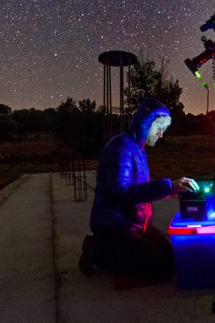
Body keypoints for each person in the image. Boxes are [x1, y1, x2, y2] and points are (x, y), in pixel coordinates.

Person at [78, 96, 198, 287]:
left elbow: (140, 191)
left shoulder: (139, 150)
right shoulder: (120, 147)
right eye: (159, 128)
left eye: (163, 130)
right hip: (114, 227)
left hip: (134, 224)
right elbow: (119, 192)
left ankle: (116, 255)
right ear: (146, 123)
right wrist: (167, 186)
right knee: (161, 268)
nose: (161, 135)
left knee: (171, 257)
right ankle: (98, 251)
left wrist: (171, 191)